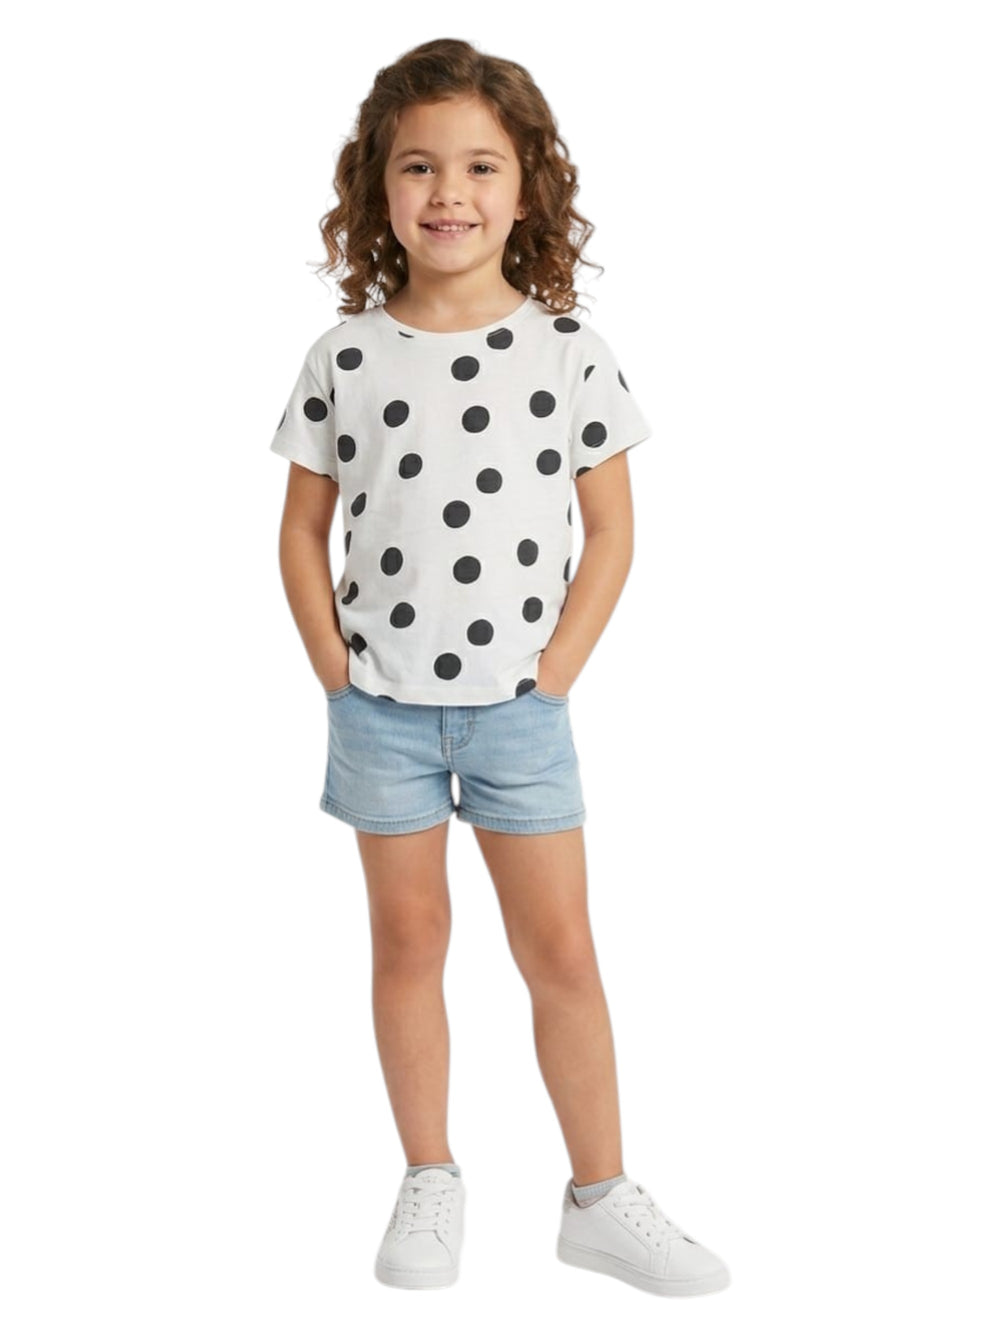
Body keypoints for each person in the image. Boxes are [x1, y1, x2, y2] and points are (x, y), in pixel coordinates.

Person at [268, 37, 729, 1298]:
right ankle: (430, 1177)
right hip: (380, 710)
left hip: (521, 713)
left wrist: (556, 670)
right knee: (408, 943)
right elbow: (302, 531)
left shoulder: (568, 349)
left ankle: (600, 1195)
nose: (448, 193)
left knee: (561, 951)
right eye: (418, 167)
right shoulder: (343, 355)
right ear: (377, 187)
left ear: (528, 188)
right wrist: (333, 670)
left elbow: (612, 529)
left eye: (480, 166)